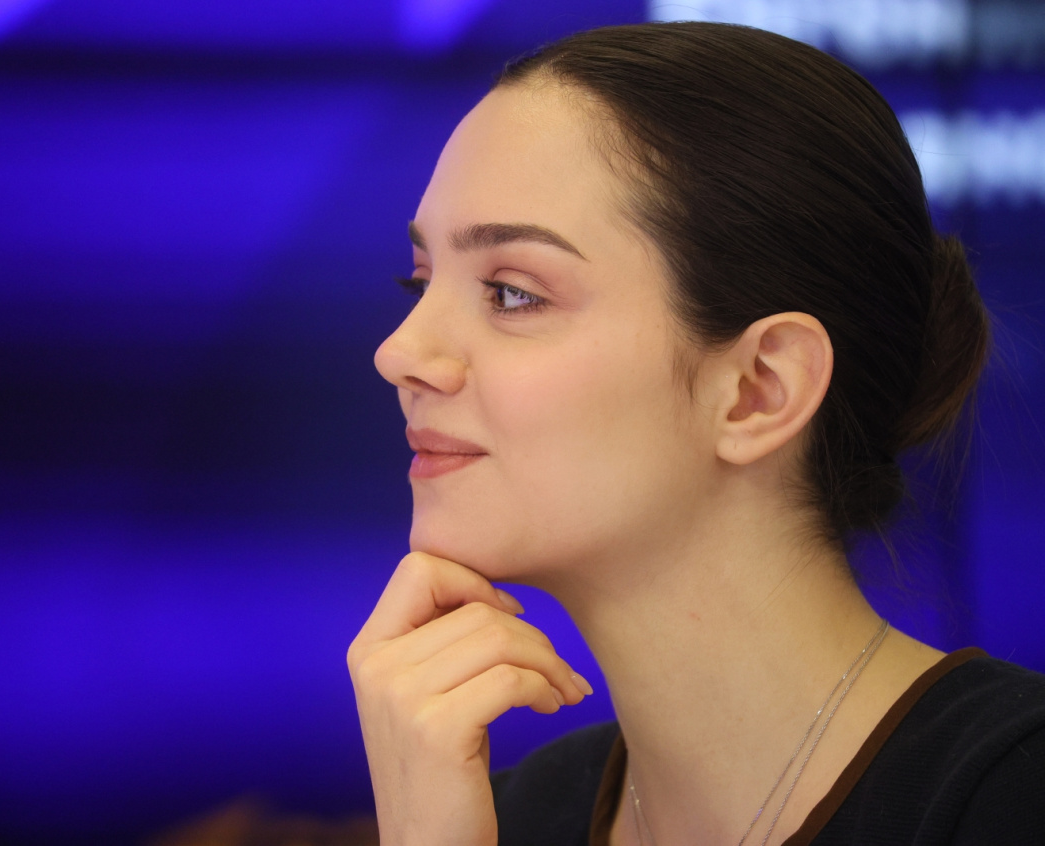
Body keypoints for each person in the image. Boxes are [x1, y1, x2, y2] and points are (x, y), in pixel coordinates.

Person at [347, 21, 1045, 846]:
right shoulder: (495, 815)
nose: (399, 353)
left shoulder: (1011, 797)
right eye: (420, 283)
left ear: (759, 389)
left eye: (511, 293)